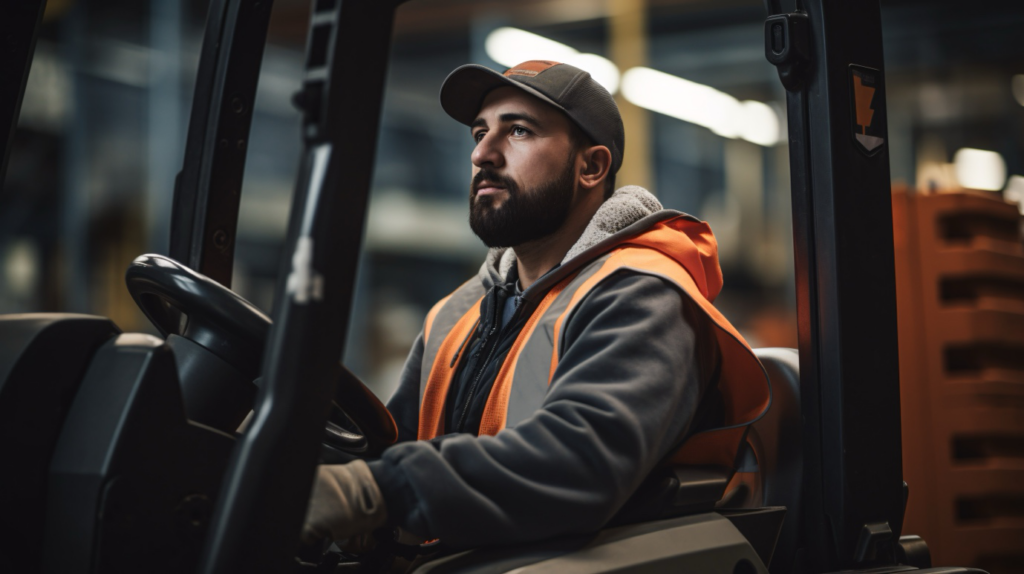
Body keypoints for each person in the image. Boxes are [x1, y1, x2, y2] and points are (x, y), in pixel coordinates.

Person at [302, 60, 769, 550]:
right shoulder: (455, 314)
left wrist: (373, 491)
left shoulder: (642, 295)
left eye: (519, 131)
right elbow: (386, 443)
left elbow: (579, 465)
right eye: (479, 132)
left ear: (591, 167)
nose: (483, 152)